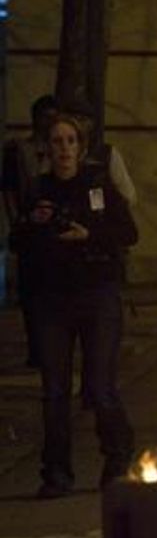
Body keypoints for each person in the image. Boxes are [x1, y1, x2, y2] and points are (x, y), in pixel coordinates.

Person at [13, 113, 138, 497]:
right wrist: (33, 222)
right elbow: (18, 242)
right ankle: (55, 473)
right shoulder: (38, 189)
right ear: (47, 149)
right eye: (57, 142)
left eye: (70, 141)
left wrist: (90, 234)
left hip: (97, 294)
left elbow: (128, 232)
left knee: (100, 386)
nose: (64, 149)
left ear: (80, 148)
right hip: (52, 301)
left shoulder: (97, 184)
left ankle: (117, 457)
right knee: (54, 391)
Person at [2, 94, 58, 368]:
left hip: (55, 233)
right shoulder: (19, 151)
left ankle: (50, 346)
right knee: (31, 294)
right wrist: (17, 223)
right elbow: (10, 190)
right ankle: (37, 348)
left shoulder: (60, 149)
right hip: (30, 231)